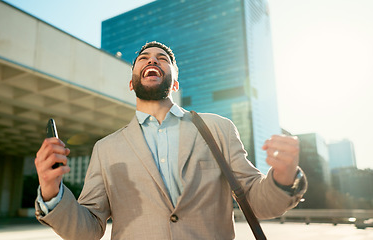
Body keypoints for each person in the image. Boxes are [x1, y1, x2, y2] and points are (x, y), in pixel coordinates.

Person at [34, 41, 307, 239]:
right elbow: (88, 229)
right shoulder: (106, 148)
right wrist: (51, 192)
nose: (152, 60)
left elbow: (256, 201)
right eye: (144, 58)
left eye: (162, 58)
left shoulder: (218, 128)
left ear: (175, 82)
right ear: (131, 83)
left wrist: (283, 177)